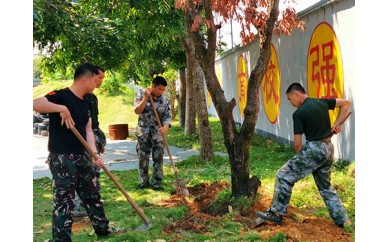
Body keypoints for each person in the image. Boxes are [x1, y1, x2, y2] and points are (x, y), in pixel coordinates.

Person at [33, 63, 120, 241]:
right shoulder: (60, 95)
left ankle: (103, 229)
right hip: (63, 157)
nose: (99, 83)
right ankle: (61, 238)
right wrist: (61, 109)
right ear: (85, 79)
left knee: (92, 194)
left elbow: (88, 130)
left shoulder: (86, 101)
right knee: (64, 201)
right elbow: (35, 104)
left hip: (83, 156)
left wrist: (94, 154)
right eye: (97, 79)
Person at [256, 82, 352, 228]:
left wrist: (300, 159)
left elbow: (298, 145)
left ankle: (276, 213)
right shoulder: (322, 102)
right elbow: (346, 103)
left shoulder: (299, 113)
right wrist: (336, 123)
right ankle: (344, 220)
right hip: (328, 148)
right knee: (326, 187)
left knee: (283, 175)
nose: (291, 103)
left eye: (290, 99)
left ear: (296, 94)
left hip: (314, 150)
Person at [73, 65, 107, 217]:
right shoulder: (79, 96)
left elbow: (94, 122)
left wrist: (100, 140)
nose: (99, 81)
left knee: (95, 170)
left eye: (101, 79)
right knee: (82, 171)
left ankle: (93, 200)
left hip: (94, 136)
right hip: (82, 139)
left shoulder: (93, 97)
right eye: (98, 78)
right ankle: (78, 205)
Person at [134, 76, 172, 191]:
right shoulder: (141, 94)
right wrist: (145, 98)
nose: (162, 92)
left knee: (158, 158)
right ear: (153, 86)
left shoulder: (164, 100)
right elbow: (137, 110)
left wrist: (166, 126)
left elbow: (168, 116)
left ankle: (156, 183)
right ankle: (144, 182)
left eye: (163, 89)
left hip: (157, 134)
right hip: (143, 133)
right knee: (143, 159)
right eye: (160, 89)